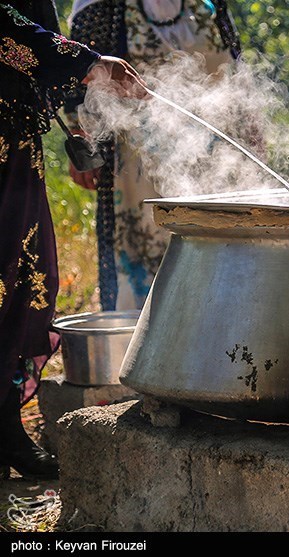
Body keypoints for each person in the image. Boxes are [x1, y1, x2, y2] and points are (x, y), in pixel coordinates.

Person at [0, 0, 146, 479]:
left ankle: (3, 423)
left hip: (15, 137)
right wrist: (88, 62)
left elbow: (35, 27)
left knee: (25, 275)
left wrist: (74, 97)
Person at [66, 0, 241, 310]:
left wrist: (248, 123)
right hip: (138, 162)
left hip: (213, 152)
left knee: (216, 249)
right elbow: (78, 68)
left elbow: (233, 60)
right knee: (148, 250)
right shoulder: (101, 7)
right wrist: (80, 135)